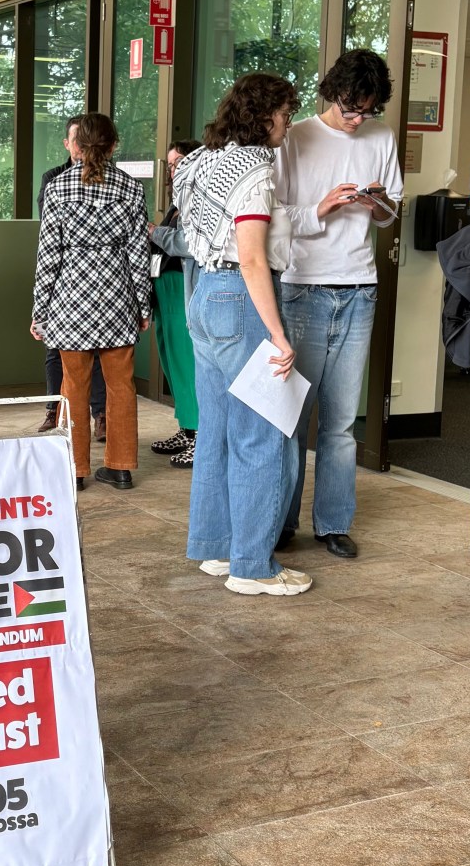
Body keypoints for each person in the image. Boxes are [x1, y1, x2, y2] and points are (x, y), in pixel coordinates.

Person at [174, 73, 311, 596]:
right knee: (261, 434)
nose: (288, 123)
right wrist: (277, 333)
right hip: (242, 299)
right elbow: (252, 257)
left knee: (216, 430)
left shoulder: (203, 161)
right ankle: (253, 567)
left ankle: (218, 548)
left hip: (205, 295)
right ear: (264, 115)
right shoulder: (255, 169)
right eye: (285, 113)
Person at [274, 50, 402, 558]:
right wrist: (321, 207)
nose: (357, 120)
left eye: (367, 111)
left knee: (342, 421)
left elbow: (391, 213)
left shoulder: (381, 137)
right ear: (332, 94)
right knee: (291, 416)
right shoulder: (297, 137)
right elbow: (275, 215)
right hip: (303, 285)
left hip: (360, 287)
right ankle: (282, 523)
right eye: (351, 109)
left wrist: (376, 204)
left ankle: (332, 523)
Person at [32, 112, 149, 491]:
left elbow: (48, 256)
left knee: (74, 386)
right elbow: (138, 255)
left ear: (77, 146)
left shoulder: (58, 187)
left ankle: (76, 469)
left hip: (70, 303)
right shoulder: (131, 188)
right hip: (118, 300)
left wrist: (40, 311)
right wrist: (142, 306)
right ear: (113, 145)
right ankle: (120, 467)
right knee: (121, 386)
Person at [35, 115, 106, 440]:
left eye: (87, 140)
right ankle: (54, 410)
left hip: (99, 288)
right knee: (56, 352)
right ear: (68, 144)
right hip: (62, 284)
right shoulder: (54, 180)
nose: (82, 146)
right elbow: (48, 230)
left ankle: (100, 416)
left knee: (101, 354)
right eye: (77, 140)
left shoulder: (113, 181)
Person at [149, 138, 202, 468]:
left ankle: (200, 436)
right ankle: (186, 427)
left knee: (187, 362)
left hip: (185, 287)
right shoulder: (177, 200)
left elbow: (189, 244)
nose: (173, 170)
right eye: (170, 165)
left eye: (179, 162)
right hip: (165, 288)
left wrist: (155, 233)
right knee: (171, 362)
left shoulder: (201, 197)